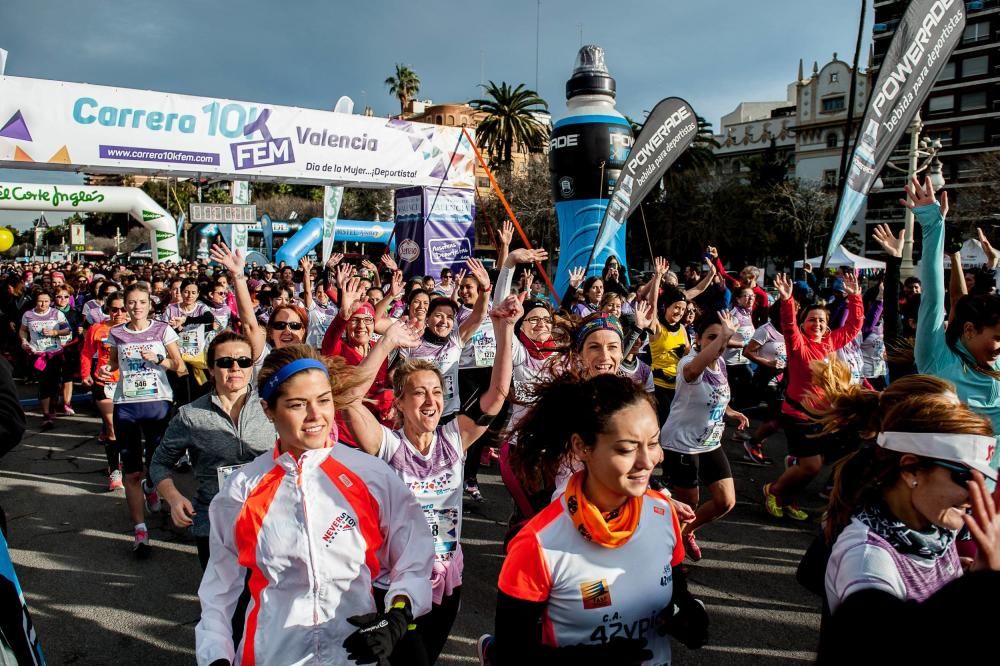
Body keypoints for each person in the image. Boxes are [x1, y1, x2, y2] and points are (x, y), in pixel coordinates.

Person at [196, 341, 434, 666]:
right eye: (296, 404)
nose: (315, 415)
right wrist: (216, 657)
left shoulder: (371, 475)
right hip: (272, 656)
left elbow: (414, 554)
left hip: (354, 656)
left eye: (324, 400)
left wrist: (397, 616)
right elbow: (217, 592)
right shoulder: (241, 491)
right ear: (268, 410)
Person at [341, 293, 520, 664]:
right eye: (418, 392)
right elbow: (348, 399)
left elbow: (496, 397)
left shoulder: (455, 437)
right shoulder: (386, 444)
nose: (430, 400)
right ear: (399, 403)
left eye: (436, 392)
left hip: (446, 578)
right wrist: (387, 341)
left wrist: (505, 330)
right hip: (395, 584)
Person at [488, 374, 707, 665]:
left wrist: (691, 617)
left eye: (653, 443)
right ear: (582, 447)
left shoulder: (663, 513)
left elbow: (678, 594)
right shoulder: (538, 543)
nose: (648, 461)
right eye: (626, 449)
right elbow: (509, 654)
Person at [812, 370, 1000, 663]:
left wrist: (971, 576)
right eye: (964, 478)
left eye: (983, 479)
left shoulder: (932, 526)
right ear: (911, 469)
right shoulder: (866, 558)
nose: (976, 494)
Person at [150, 332, 276, 570]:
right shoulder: (190, 415)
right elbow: (159, 463)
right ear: (211, 369)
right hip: (214, 523)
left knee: (265, 601)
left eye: (244, 361)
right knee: (224, 604)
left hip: (268, 520)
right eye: (226, 362)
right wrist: (174, 498)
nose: (235, 367)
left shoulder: (271, 407)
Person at [906, 176, 1000, 466]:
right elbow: (934, 297)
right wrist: (933, 225)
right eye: (997, 337)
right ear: (970, 330)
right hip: (947, 489)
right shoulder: (936, 359)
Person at [763, 271, 862, 521]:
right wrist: (787, 300)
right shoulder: (798, 345)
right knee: (812, 466)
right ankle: (774, 492)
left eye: (821, 320)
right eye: (811, 320)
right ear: (803, 323)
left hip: (824, 415)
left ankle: (789, 496)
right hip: (797, 413)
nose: (816, 324)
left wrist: (855, 296)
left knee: (829, 458)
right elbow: (788, 326)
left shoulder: (830, 342)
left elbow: (854, 326)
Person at [106, 282, 186, 556]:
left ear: (150, 304)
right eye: (132, 302)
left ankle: (152, 488)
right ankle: (140, 530)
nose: (137, 306)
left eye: (142, 301)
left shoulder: (163, 330)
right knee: (132, 471)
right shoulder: (116, 332)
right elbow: (114, 363)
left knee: (154, 465)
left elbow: (180, 366)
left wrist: (159, 359)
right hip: (126, 405)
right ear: (125, 305)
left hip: (157, 404)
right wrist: (107, 368)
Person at [661, 311, 748, 561]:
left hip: (710, 442)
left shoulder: (720, 363)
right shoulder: (688, 363)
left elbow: (717, 397)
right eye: (712, 337)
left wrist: (731, 412)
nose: (718, 342)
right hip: (682, 445)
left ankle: (685, 534)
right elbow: (693, 372)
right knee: (686, 509)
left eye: (721, 337)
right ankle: (670, 558)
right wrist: (724, 337)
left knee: (725, 502)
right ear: (697, 339)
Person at [398, 258, 491, 421]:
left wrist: (485, 288)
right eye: (438, 316)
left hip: (449, 416)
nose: (444, 321)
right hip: (418, 415)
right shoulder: (411, 342)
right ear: (427, 318)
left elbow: (478, 314)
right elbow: (398, 377)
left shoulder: (455, 341)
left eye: (449, 317)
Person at [210, 243, 307, 374]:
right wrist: (238, 275)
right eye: (279, 325)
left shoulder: (310, 361)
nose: (287, 330)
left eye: (294, 325)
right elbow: (249, 326)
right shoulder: (264, 354)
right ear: (271, 332)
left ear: (304, 330)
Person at [80, 292, 127, 490]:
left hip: (130, 384)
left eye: (123, 309)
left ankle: (128, 463)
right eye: (114, 309)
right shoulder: (97, 329)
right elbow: (86, 352)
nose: (118, 313)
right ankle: (114, 471)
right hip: (105, 382)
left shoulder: (134, 329)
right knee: (111, 427)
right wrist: (85, 374)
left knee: (128, 428)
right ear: (107, 309)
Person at [19, 289, 71, 430]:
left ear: (51, 301)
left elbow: (67, 329)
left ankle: (52, 406)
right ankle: (46, 415)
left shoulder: (56, 313)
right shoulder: (28, 315)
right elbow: (23, 329)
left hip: (55, 354)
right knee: (44, 383)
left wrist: (55, 332)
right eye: (40, 301)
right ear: (35, 301)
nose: (43, 304)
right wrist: (24, 341)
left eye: (46, 301)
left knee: (54, 383)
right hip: (39, 355)